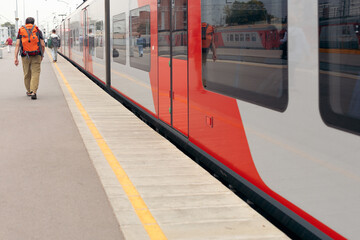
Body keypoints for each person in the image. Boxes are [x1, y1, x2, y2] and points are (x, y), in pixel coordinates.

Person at [14, 17, 45, 100]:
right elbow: (42, 45)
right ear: (33, 23)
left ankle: (29, 91)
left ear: (26, 23)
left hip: (25, 55)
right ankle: (34, 91)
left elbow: (17, 45)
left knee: (27, 73)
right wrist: (42, 55)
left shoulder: (21, 30)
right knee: (35, 73)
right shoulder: (38, 30)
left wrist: (15, 58)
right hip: (36, 55)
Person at [201, 22, 217, 87]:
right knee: (204, 66)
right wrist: (214, 54)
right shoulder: (210, 28)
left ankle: (200, 81)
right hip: (205, 49)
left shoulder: (197, 27)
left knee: (199, 66)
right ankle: (204, 83)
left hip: (197, 49)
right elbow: (212, 43)